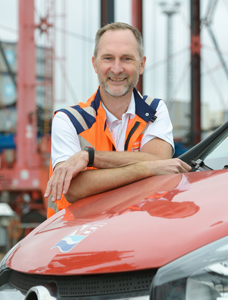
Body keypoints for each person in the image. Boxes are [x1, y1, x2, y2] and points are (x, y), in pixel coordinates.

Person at [44, 22, 191, 218]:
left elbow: (161, 161)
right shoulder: (68, 120)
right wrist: (145, 167)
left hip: (135, 234)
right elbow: (74, 189)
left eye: (126, 58)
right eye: (108, 58)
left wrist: (89, 158)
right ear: (95, 64)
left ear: (142, 64)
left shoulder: (154, 110)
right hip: (75, 238)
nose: (116, 68)